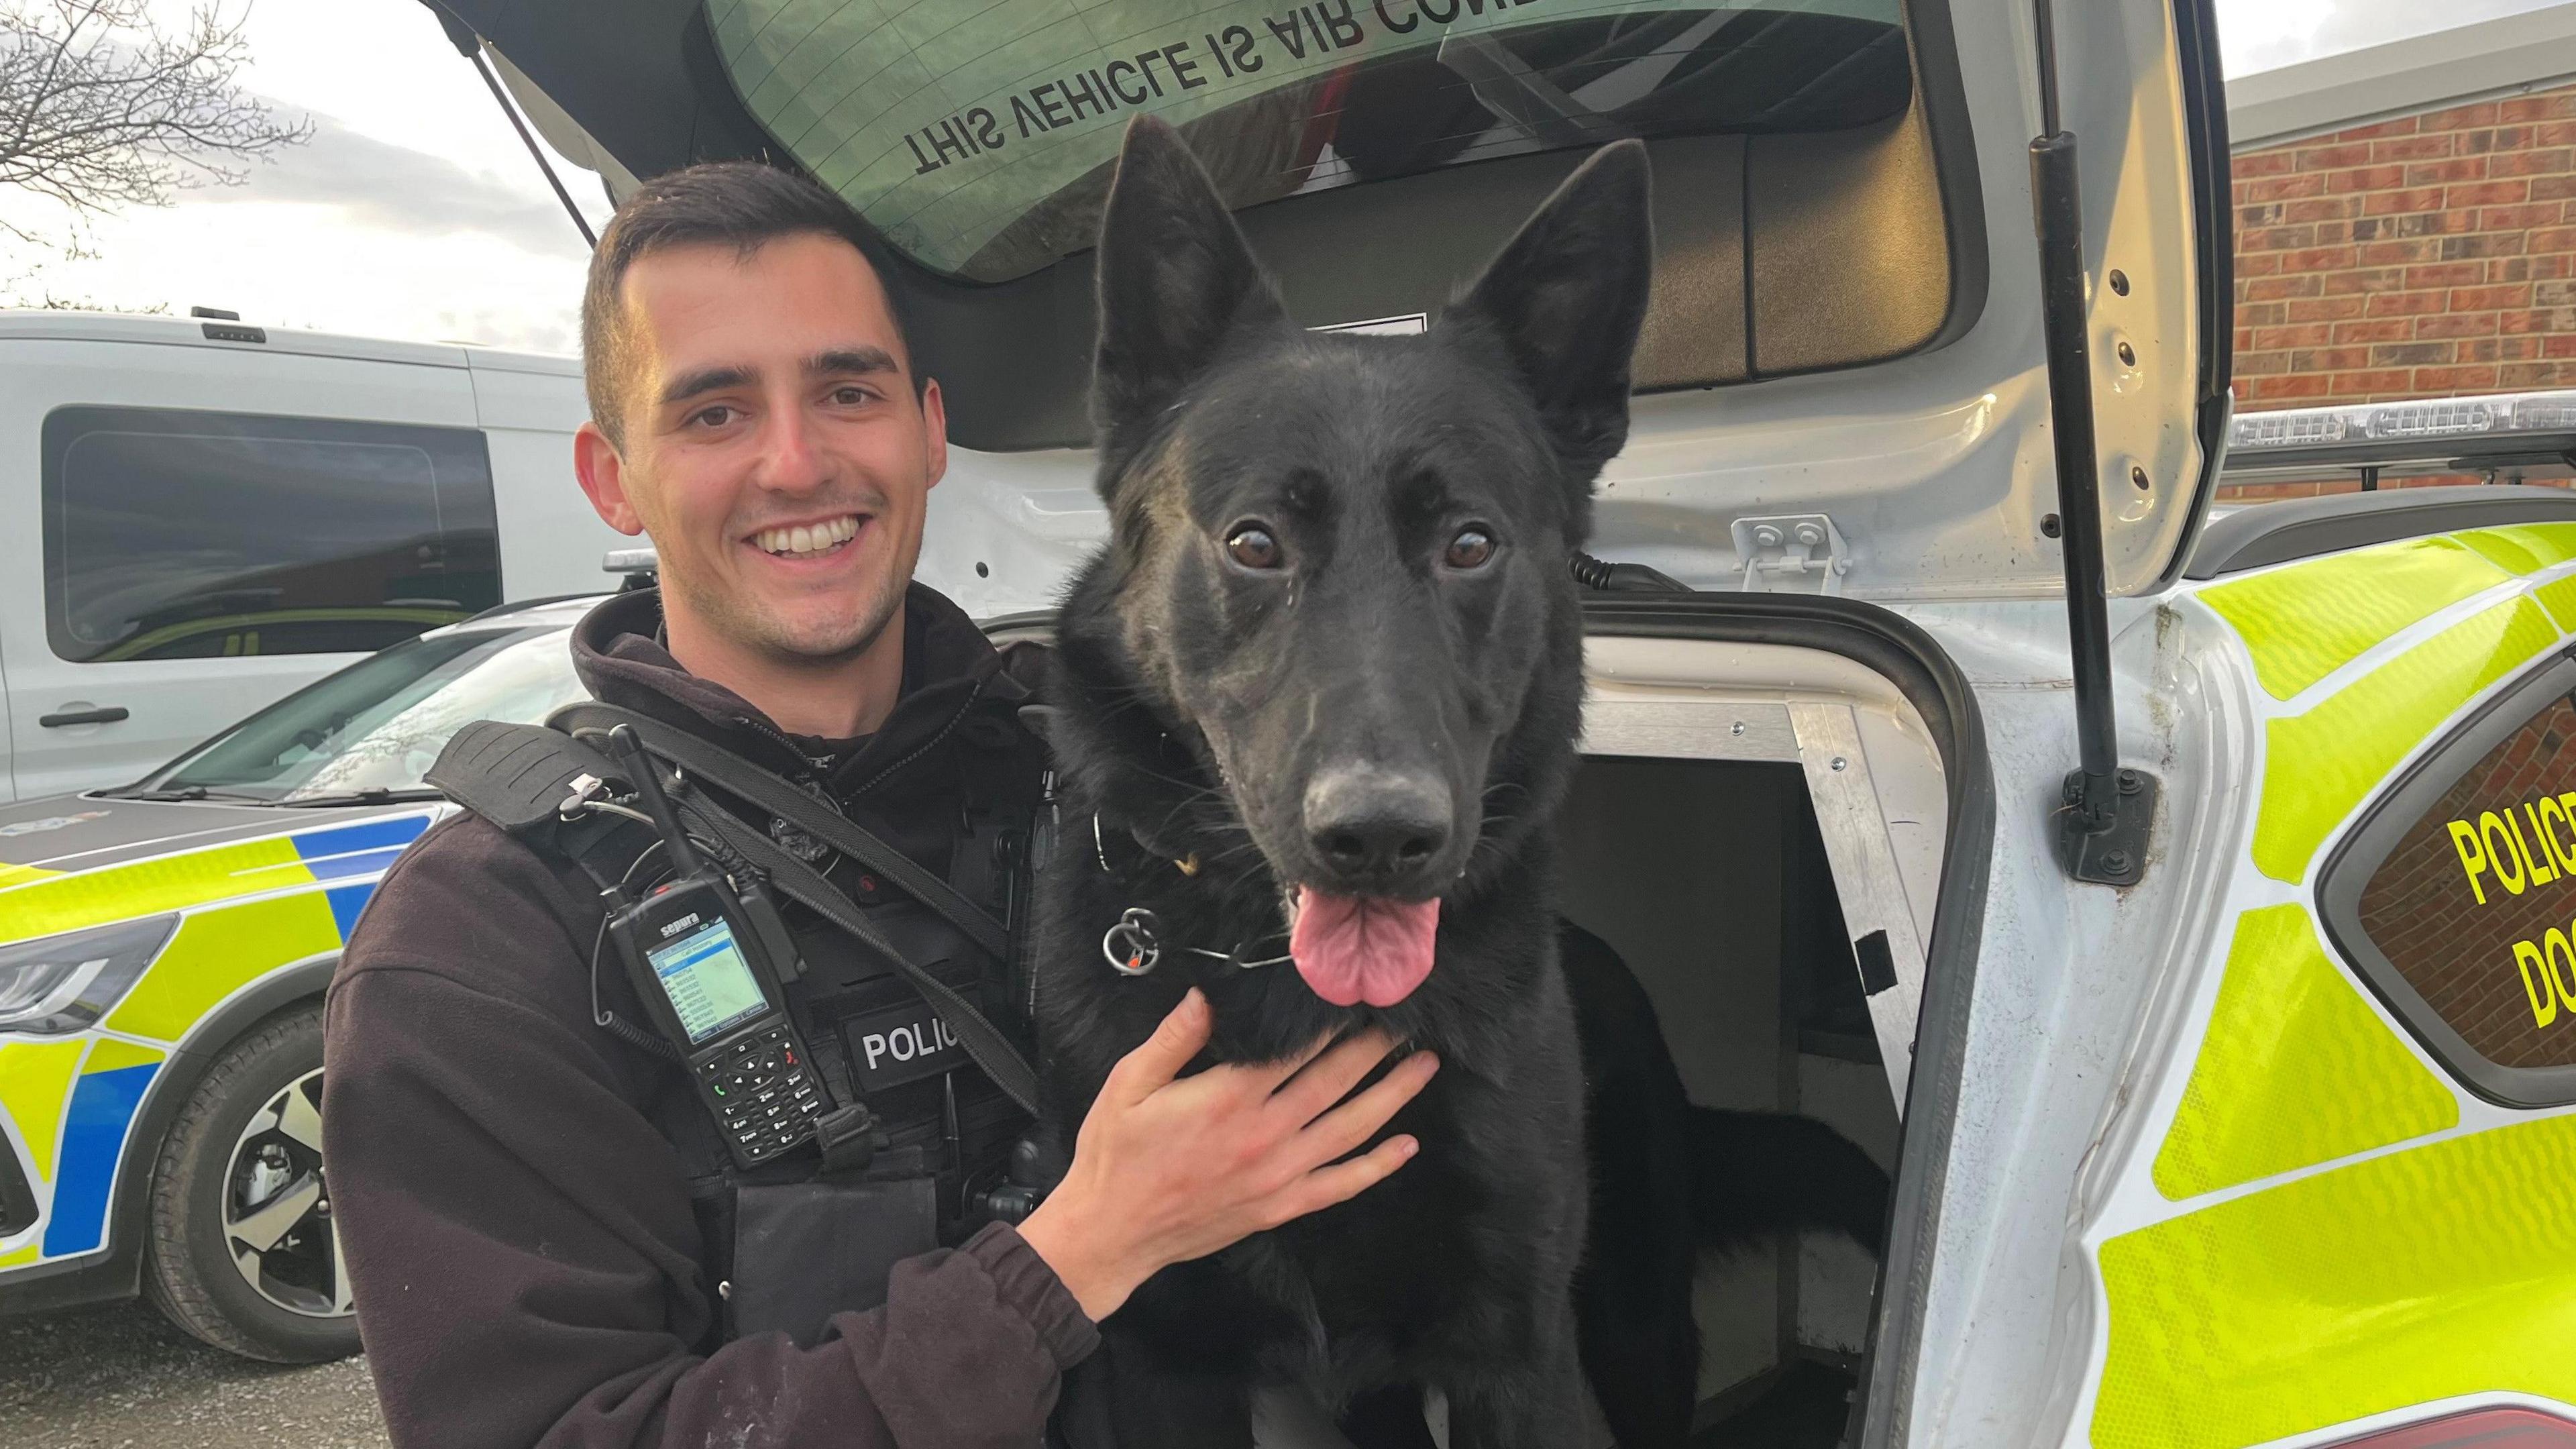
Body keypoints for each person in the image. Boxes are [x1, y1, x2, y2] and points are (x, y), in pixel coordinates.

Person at [322, 162, 1438, 1448]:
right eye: (713, 414)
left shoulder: (1131, 774)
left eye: (846, 392)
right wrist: (1070, 1258)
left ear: (928, 429)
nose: (797, 464)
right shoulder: (483, 945)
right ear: (612, 476)